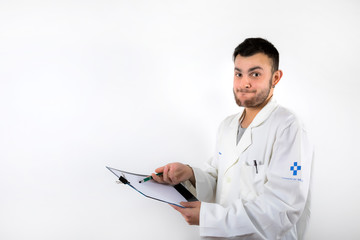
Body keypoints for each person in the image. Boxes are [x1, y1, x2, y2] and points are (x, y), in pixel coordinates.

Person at [152, 38, 313, 240]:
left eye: (255, 74)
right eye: (238, 73)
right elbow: (220, 181)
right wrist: (189, 173)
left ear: (275, 78)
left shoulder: (289, 126)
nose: (244, 82)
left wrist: (210, 217)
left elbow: (283, 208)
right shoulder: (227, 126)